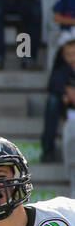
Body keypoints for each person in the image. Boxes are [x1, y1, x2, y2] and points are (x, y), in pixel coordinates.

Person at [42, 31, 75, 162]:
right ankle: (48, 150)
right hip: (67, 107)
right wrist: (66, 91)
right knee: (53, 101)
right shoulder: (62, 69)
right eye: (69, 55)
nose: (72, 58)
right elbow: (53, 85)